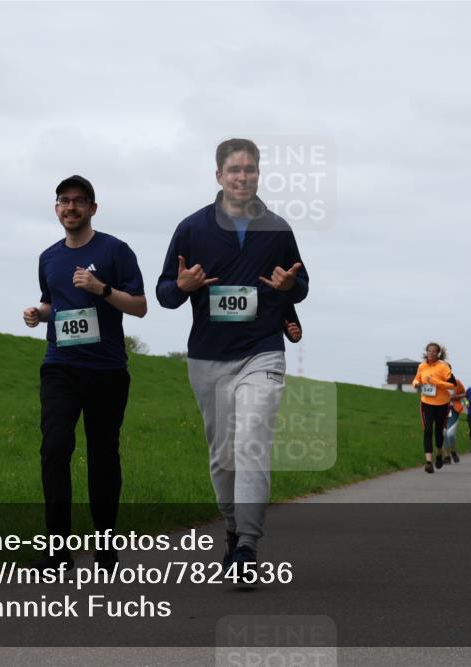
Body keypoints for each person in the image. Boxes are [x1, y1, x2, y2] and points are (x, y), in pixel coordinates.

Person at [156, 138, 309, 570]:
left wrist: (288, 289)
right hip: (209, 358)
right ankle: (231, 527)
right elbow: (165, 293)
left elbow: (299, 283)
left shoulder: (278, 229)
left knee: (252, 444)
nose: (243, 177)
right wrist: (182, 287)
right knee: (223, 457)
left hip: (262, 352)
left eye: (250, 170)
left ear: (259, 175)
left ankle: (247, 546)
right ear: (219, 175)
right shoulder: (192, 228)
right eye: (235, 170)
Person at [23, 175, 147, 572]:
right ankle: (56, 549)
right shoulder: (49, 257)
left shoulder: (115, 251)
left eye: (79, 201)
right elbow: (51, 302)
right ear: (56, 208)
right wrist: (36, 313)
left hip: (107, 369)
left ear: (93, 208)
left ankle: (105, 544)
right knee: (55, 448)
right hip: (60, 366)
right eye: (63, 201)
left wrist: (101, 289)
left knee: (102, 455)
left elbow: (140, 306)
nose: (70, 207)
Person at [412, 343, 456, 473]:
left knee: (438, 432)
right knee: (427, 430)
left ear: (438, 354)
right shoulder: (422, 366)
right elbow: (416, 379)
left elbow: (453, 385)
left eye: (434, 352)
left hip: (442, 403)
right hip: (426, 402)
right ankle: (428, 462)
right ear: (426, 352)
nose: (431, 354)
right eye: (429, 351)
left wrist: (436, 382)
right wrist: (416, 383)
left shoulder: (443, 367)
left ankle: (439, 453)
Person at [443, 368, 467, 463]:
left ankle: (453, 451)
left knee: (450, 434)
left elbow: (465, 393)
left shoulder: (456, 382)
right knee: (443, 434)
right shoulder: (438, 382)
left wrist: (456, 397)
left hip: (454, 411)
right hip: (441, 411)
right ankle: (446, 456)